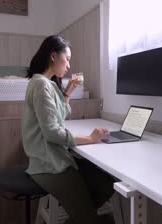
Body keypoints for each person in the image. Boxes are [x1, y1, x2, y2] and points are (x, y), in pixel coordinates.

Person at [22, 35, 115, 224]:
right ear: (54, 56)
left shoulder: (47, 84)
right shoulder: (41, 84)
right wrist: (90, 138)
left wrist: (68, 92)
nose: (69, 65)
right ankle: (83, 215)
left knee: (107, 184)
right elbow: (52, 132)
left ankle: (80, 213)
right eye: (68, 59)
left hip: (55, 157)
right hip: (48, 164)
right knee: (89, 216)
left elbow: (58, 116)